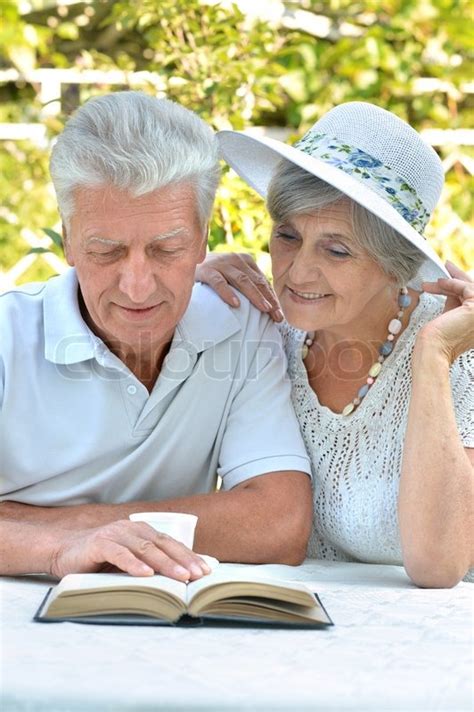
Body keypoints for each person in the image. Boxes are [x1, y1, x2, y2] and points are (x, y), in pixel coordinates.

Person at [0, 91, 313, 582]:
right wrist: (60, 549)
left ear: (203, 239)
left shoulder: (242, 324)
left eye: (167, 249)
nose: (138, 286)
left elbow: (279, 522)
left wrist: (81, 526)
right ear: (67, 241)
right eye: (107, 251)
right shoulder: (6, 337)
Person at [197, 101, 474, 587]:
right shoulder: (266, 330)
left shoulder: (460, 350)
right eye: (287, 236)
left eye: (337, 249)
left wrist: (434, 357)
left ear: (396, 265)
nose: (298, 271)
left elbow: (438, 566)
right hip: (294, 625)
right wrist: (186, 291)